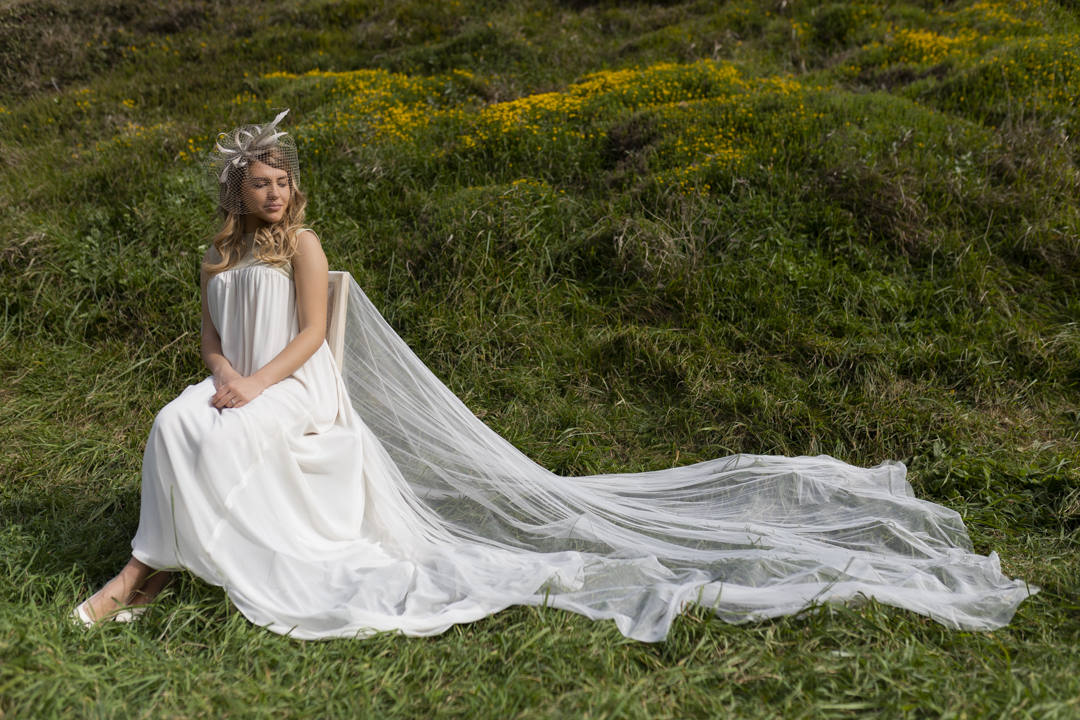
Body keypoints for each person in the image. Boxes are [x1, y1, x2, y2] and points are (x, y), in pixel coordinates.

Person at [73, 109, 1036, 640]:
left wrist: (255, 386)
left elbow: (317, 337)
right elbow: (207, 336)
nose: (271, 191)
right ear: (235, 189)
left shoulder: (307, 245)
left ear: (295, 188)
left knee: (206, 427)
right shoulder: (214, 254)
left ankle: (144, 573)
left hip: (296, 385)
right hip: (240, 380)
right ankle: (161, 563)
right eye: (258, 181)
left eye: (282, 179)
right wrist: (219, 375)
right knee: (176, 417)